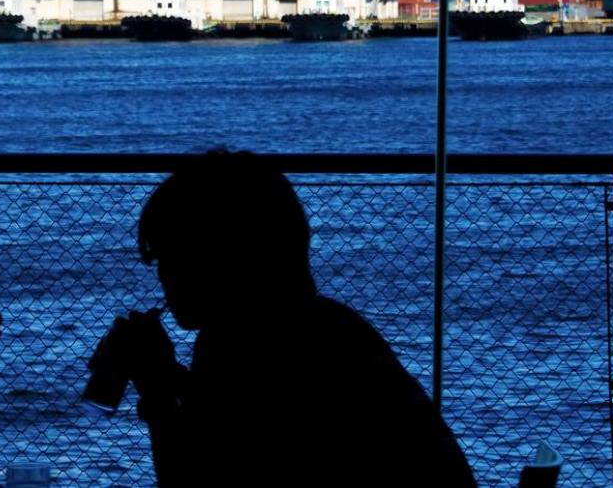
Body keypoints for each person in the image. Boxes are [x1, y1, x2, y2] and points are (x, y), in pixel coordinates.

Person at [98, 150, 476, 487]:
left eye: (173, 258)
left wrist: (159, 389)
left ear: (223, 258)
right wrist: (170, 378)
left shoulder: (248, 347)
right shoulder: (324, 328)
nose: (163, 275)